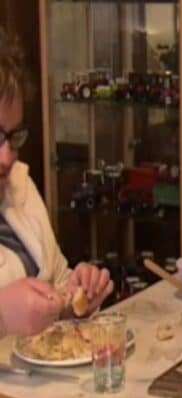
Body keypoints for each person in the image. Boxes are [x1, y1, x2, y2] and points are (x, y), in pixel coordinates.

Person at [0, 26, 112, 335]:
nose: (7, 157)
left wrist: (75, 295)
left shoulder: (20, 186)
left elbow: (57, 285)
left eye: (14, 137)